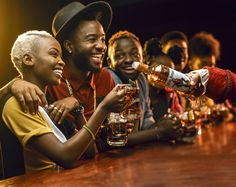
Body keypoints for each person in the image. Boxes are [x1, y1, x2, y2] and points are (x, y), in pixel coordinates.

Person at [0, 30, 127, 178]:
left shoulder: (48, 104)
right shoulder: (19, 102)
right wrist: (104, 108)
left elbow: (90, 151)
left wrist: (78, 109)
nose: (61, 62)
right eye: (54, 54)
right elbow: (65, 156)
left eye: (60, 56)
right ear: (28, 59)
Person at [0, 1, 116, 154]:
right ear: (69, 46)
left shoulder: (104, 77)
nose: (102, 46)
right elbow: (21, 83)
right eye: (91, 39)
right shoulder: (49, 79)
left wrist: (77, 106)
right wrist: (13, 85)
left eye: (102, 38)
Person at [104, 30, 183, 148]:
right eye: (119, 55)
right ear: (110, 62)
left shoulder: (141, 79)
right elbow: (117, 139)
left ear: (143, 59)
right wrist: (159, 131)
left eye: (135, 54)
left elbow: (146, 123)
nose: (128, 60)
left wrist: (166, 126)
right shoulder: (107, 80)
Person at [143, 37, 182, 121]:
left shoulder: (171, 95)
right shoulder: (137, 92)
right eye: (159, 69)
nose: (162, 76)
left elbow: (179, 116)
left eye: (168, 73)